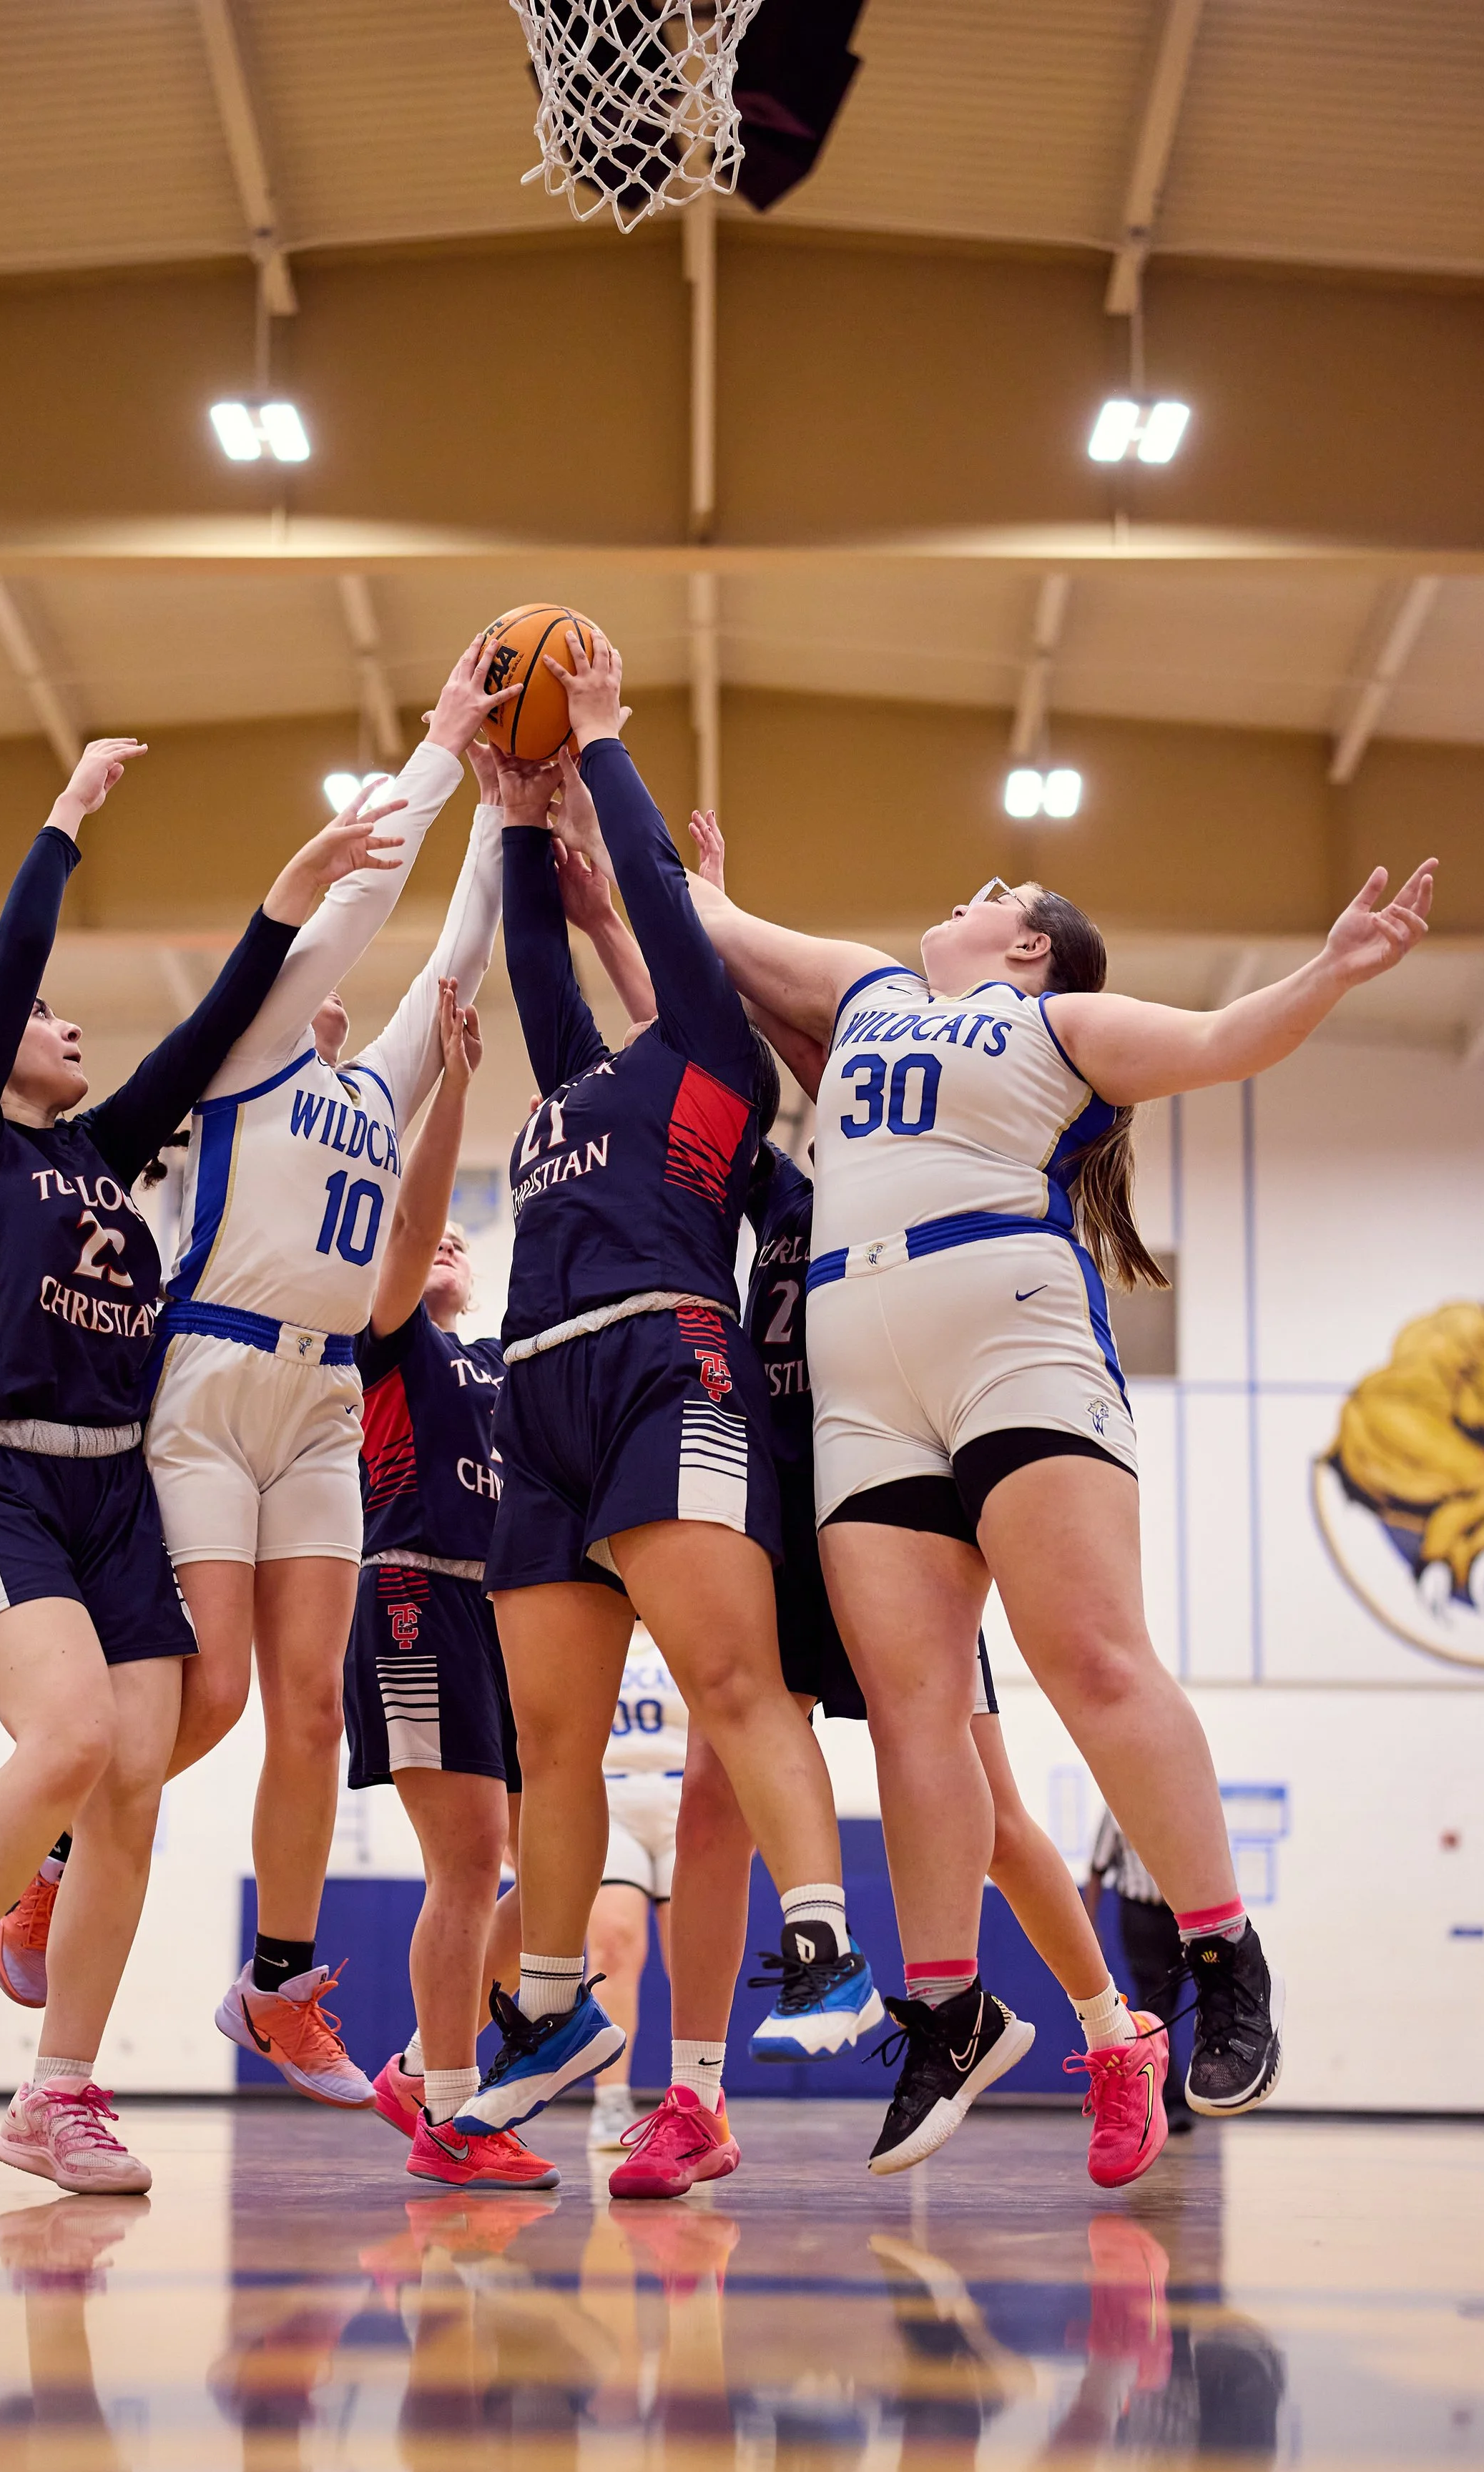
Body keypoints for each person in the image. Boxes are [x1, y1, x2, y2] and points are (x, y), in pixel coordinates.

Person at [686, 842, 1437, 2162]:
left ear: (1031, 944)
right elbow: (717, 928)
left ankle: (1224, 1953)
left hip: (1010, 1327)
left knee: (1090, 1655)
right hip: (864, 1372)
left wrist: (1329, 970)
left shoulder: (1055, 1021)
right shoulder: (865, 996)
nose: (964, 894)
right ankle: (947, 2008)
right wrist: (593, 797)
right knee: (914, 1711)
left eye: (994, 895)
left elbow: (1217, 1037)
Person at [553, 813, 1166, 2197]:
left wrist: (670, 903)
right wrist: (609, 922)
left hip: (911, 1488)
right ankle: (695, 2097)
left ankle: (1109, 2031)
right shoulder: (791, 1174)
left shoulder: (963, 1155)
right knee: (718, 1784)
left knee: (988, 1804)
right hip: (786, 1477)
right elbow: (699, 1027)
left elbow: (796, 1010)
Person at [0, 736, 394, 2192]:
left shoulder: (98, 1151)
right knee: (77, 1739)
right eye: (41, 1019)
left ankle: (60, 2092)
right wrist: (67, 818)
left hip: (115, 1489)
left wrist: (292, 893)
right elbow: (16, 961)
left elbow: (213, 1032)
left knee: (135, 1783)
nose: (68, 1027)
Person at [0, 638, 518, 2105]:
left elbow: (456, 948)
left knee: (311, 1703)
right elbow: (351, 912)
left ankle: (277, 1982)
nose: (344, 1004)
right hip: (209, 1381)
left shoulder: (377, 1079)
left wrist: (508, 813)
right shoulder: (252, 1054)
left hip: (326, 1397)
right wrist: (436, 752)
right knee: (207, 1691)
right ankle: (48, 1855)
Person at [453, 628, 875, 2142]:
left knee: (728, 1683)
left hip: (664, 1360)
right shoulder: (578, 1080)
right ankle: (554, 2006)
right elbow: (529, 965)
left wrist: (607, 741)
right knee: (549, 1750)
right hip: (538, 1389)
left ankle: (824, 1946)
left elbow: (657, 907)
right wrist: (510, 819)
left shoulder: (713, 1056)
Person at [340, 974, 554, 2194]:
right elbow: (414, 1224)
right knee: (469, 1863)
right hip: (417, 1591)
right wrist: (460, 1086)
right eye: (434, 1239)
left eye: (472, 1242)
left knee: (553, 1859)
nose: (451, 1246)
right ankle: (453, 2111)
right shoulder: (392, 1341)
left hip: (507, 1607)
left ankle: (427, 2062)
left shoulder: (499, 1365)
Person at [586, 1627, 687, 2152]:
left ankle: (695, 2095)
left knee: (691, 1957)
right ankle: (611, 2101)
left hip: (687, 1797)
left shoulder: (692, 1619)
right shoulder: (590, 1619)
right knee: (614, 1945)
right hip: (610, 1799)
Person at [1083, 1808, 1194, 2133]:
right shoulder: (1114, 1807)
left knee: (1169, 2009)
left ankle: (1155, 2095)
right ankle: (1169, 2102)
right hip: (1139, 1915)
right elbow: (1096, 1869)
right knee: (1154, 2005)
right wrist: (1092, 1925)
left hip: (1178, 1917)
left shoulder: (1178, 1802)